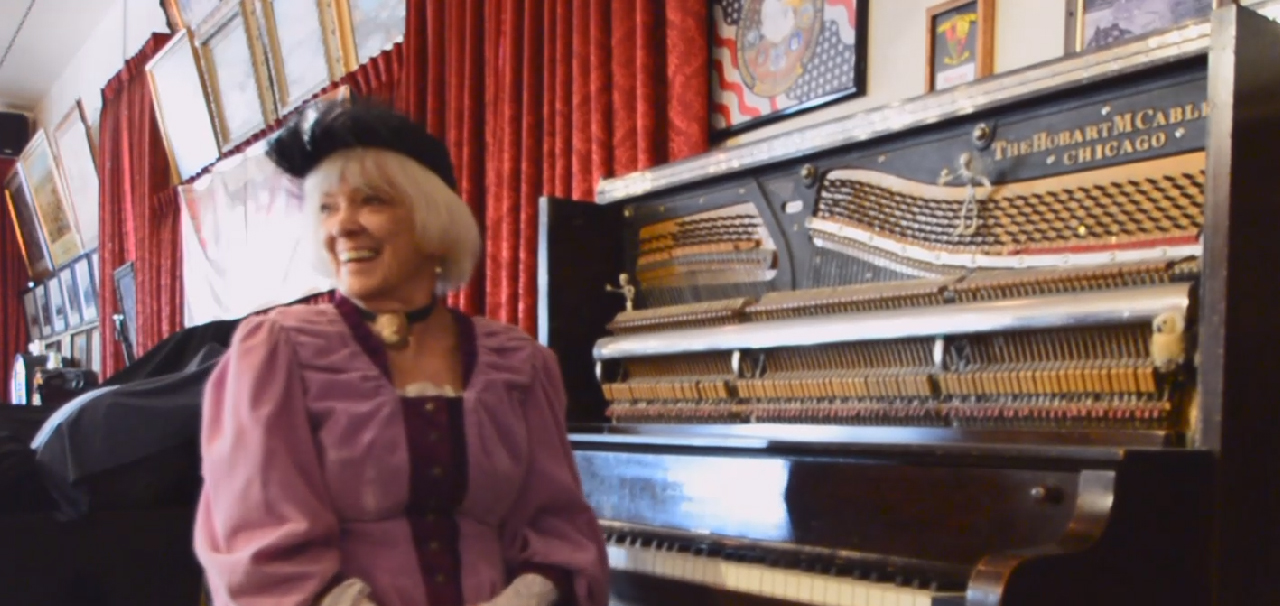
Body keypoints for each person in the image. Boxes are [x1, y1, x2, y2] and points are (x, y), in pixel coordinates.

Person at [192, 98, 610, 606]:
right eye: (326, 207)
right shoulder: (278, 353)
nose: (342, 226)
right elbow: (256, 540)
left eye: (371, 201)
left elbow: (558, 528)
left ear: (434, 221)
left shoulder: (519, 364)